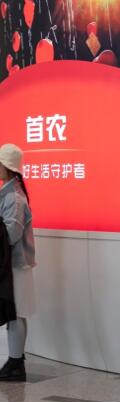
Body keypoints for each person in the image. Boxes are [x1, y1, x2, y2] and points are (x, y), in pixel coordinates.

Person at [0, 144, 36, 383]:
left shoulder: (13, 197)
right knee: (16, 313)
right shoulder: (11, 193)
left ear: (7, 166)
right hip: (13, 263)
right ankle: (16, 360)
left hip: (16, 264)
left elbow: (11, 234)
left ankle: (15, 363)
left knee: (16, 313)